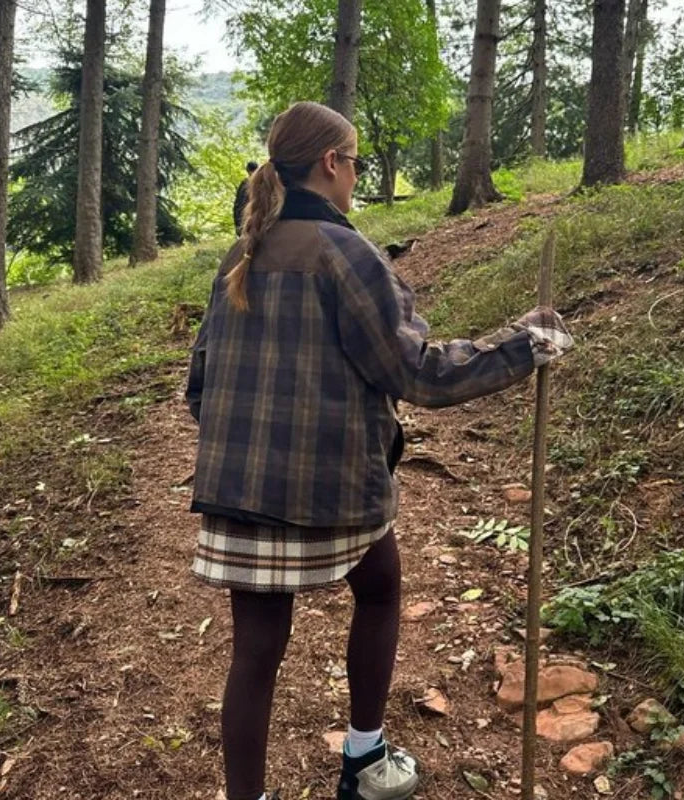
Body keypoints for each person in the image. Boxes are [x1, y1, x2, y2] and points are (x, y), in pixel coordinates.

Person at [185, 101, 573, 800]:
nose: (356, 175)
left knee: (255, 650)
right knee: (382, 585)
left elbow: (199, 385)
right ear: (330, 163)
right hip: (329, 490)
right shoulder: (347, 254)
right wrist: (525, 345)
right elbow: (417, 372)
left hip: (236, 491)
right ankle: (365, 763)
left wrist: (242, 450)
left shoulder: (239, 253)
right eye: (355, 161)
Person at [233, 160, 259, 235]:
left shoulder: (244, 184)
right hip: (254, 221)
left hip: (246, 221)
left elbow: (237, 205)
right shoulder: (262, 183)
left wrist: (238, 225)